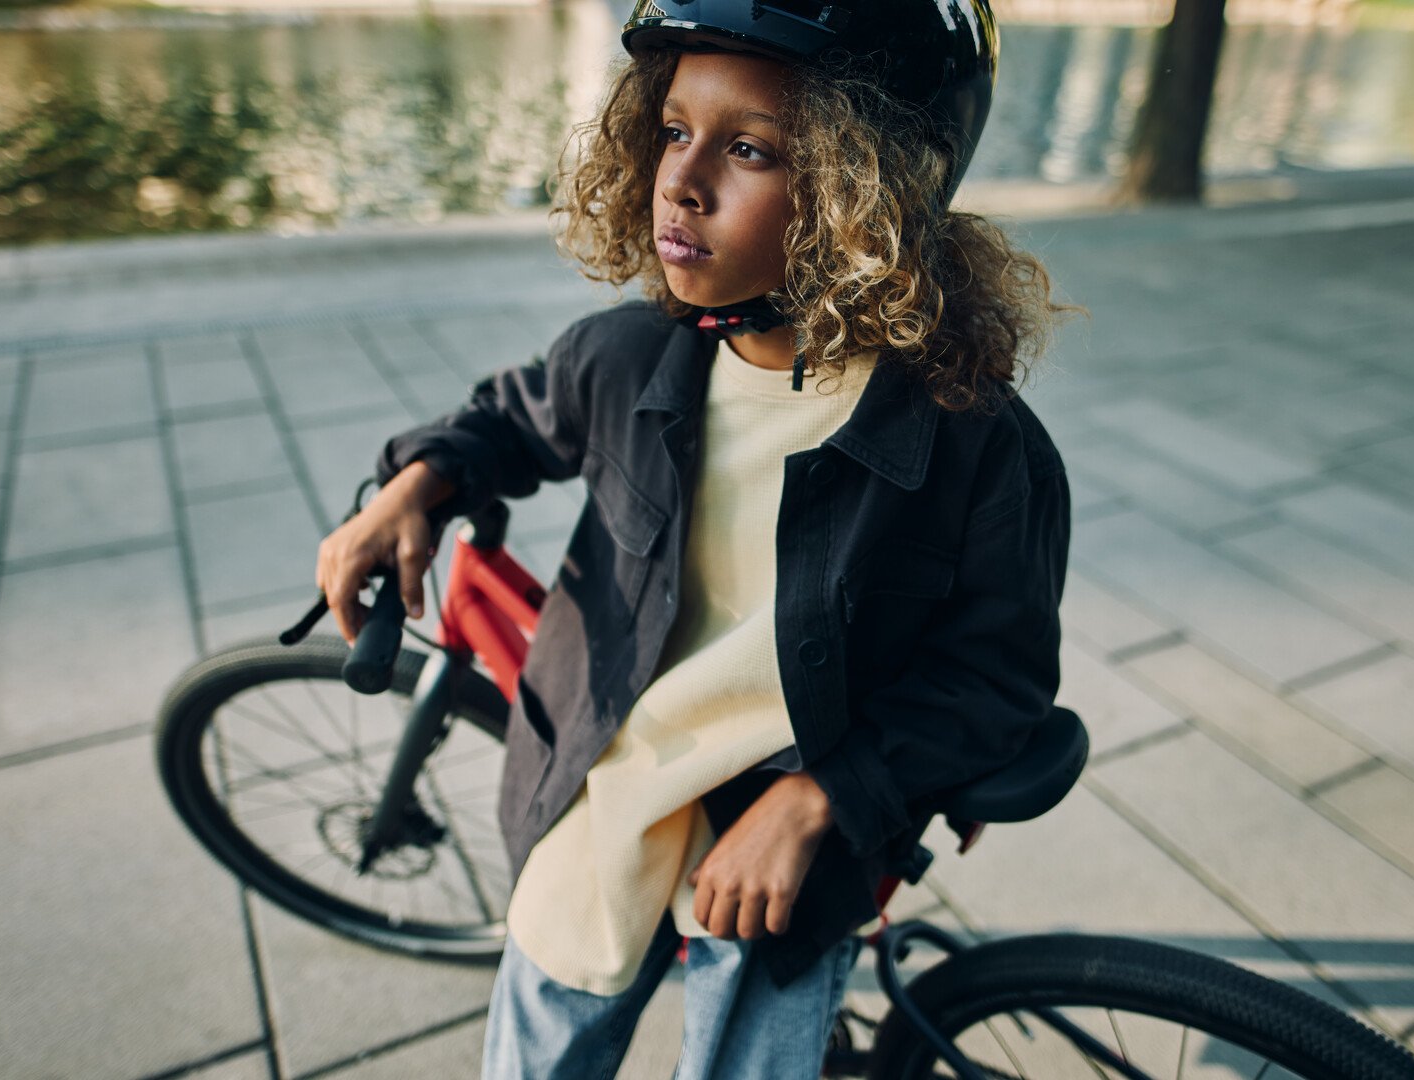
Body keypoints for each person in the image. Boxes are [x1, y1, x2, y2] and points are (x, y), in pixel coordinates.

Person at [314, 2, 1077, 1076]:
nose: (683, 179)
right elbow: (509, 418)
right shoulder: (627, 360)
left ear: (871, 192)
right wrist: (417, 485)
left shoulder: (972, 443)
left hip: (786, 848)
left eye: (751, 149)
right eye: (673, 130)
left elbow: (996, 677)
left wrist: (827, 796)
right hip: (600, 796)